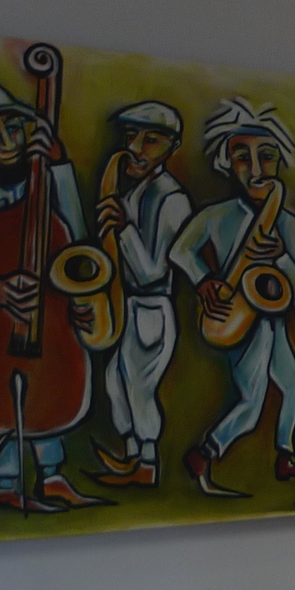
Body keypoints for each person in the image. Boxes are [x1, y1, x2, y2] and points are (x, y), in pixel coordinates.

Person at [0, 83, 109, 513]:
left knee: (53, 385)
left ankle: (53, 477)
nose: (10, 144)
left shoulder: (49, 189)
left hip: (53, 323)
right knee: (4, 396)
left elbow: (78, 252)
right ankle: (6, 482)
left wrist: (59, 168)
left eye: (15, 128)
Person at [169, 98, 295, 497]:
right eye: (242, 157)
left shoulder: (292, 227)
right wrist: (204, 282)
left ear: (280, 161)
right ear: (226, 163)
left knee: (294, 387)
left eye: (266, 156)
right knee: (251, 405)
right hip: (238, 320)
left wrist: (281, 257)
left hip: (274, 322)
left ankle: (285, 455)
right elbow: (180, 251)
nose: (256, 169)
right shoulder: (216, 217)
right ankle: (204, 453)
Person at [88, 102, 192, 488]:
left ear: (172, 147)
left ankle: (147, 463)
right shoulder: (135, 192)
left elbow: (153, 272)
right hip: (125, 304)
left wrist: (124, 228)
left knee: (140, 389)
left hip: (150, 308)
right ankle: (131, 454)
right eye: (131, 136)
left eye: (150, 140)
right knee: (115, 382)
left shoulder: (172, 199)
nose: (135, 148)